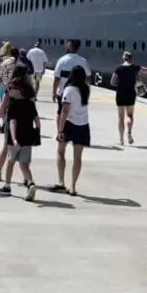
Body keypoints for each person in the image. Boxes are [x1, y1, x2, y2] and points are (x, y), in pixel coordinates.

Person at [0, 65, 39, 200]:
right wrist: (37, 131)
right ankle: (30, 183)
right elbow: (36, 117)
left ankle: (7, 185)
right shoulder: (30, 94)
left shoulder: (12, 100)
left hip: (14, 134)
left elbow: (11, 119)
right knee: (24, 163)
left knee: (10, 161)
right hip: (28, 132)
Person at [54, 65, 90, 195]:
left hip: (69, 124)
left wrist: (60, 130)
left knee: (60, 152)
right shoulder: (86, 89)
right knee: (77, 158)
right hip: (83, 125)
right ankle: (73, 187)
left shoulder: (69, 90)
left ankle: (61, 181)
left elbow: (64, 111)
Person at [110, 51, 147, 145]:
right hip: (131, 94)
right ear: (131, 58)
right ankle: (129, 133)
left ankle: (121, 139)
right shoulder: (135, 67)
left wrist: (119, 84)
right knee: (130, 116)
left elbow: (112, 82)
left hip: (120, 94)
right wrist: (139, 73)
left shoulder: (118, 68)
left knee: (121, 118)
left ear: (123, 58)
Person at [52, 40, 90, 123]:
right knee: (75, 113)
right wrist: (87, 92)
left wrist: (54, 92)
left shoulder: (62, 60)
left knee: (61, 112)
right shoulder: (82, 61)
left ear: (69, 46)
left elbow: (57, 78)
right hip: (79, 92)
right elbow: (88, 78)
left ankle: (60, 132)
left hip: (63, 92)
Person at [0, 43, 18, 132]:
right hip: (12, 87)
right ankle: (5, 124)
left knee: (3, 105)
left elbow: (0, 75)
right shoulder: (16, 63)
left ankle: (3, 122)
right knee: (10, 107)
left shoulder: (4, 62)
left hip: (3, 86)